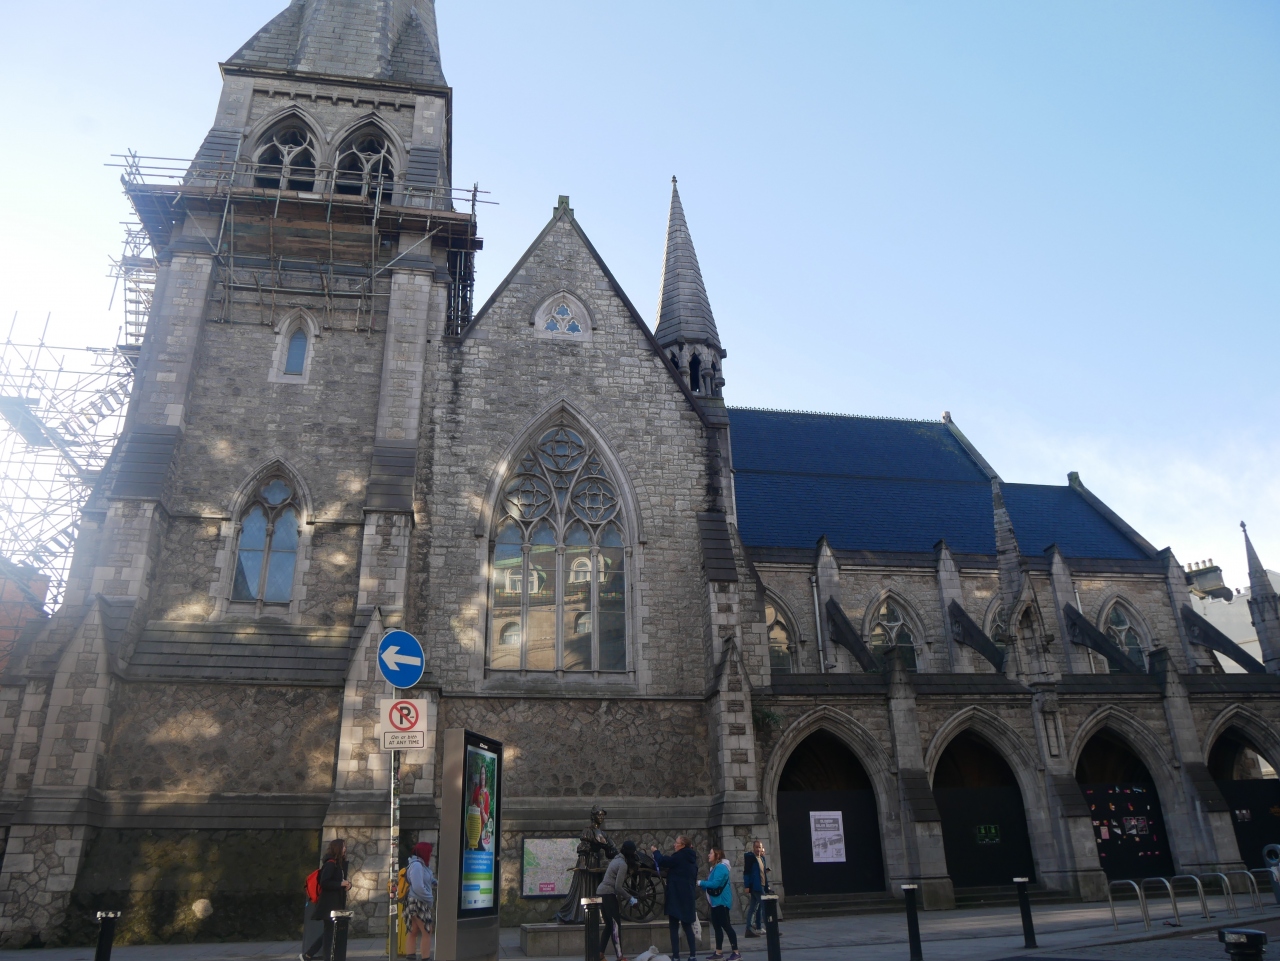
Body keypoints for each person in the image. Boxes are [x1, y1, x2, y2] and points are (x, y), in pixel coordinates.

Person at [302, 837, 351, 961]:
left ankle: (309, 955)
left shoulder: (338, 864)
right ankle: (325, 956)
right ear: (338, 848)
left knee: (329, 930)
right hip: (329, 903)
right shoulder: (330, 864)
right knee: (330, 931)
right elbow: (324, 882)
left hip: (335, 902)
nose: (345, 849)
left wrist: (347, 885)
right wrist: (340, 884)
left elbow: (338, 881)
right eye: (343, 847)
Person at [651, 836, 699, 961]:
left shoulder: (679, 856)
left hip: (676, 897)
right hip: (688, 896)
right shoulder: (692, 859)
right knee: (687, 926)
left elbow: (663, 861)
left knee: (673, 927)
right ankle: (692, 955)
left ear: (682, 845)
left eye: (676, 843)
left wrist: (655, 852)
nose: (674, 845)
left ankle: (676, 956)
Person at [596, 839, 639, 961]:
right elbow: (618, 887)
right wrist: (631, 899)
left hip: (601, 892)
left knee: (609, 926)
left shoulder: (616, 860)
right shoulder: (623, 864)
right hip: (608, 894)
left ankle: (600, 954)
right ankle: (620, 956)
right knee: (615, 925)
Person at [699, 847, 740, 961]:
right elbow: (712, 884)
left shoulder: (721, 867)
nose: (708, 855)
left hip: (721, 902)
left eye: (711, 853)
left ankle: (736, 952)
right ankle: (718, 952)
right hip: (715, 902)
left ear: (717, 855)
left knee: (726, 926)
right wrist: (704, 885)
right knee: (717, 927)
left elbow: (715, 884)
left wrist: (701, 882)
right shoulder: (715, 868)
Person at [404, 841, 436, 961]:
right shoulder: (417, 865)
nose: (431, 855)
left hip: (413, 901)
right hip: (418, 902)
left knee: (413, 931)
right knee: (427, 931)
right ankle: (425, 958)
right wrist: (429, 898)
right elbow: (418, 886)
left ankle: (411, 957)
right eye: (429, 852)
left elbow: (426, 879)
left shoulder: (420, 865)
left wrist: (435, 882)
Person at [742, 840, 770, 936]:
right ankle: (770, 928)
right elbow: (746, 873)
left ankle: (749, 928)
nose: (758, 849)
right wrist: (747, 886)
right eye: (756, 847)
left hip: (761, 885)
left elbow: (763, 874)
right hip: (756, 886)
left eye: (759, 847)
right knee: (764, 906)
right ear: (753, 848)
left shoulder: (761, 859)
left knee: (753, 908)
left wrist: (767, 886)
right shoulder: (751, 859)